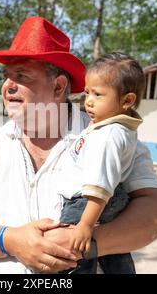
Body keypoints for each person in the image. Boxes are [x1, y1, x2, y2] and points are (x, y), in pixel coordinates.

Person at [0, 16, 157, 274]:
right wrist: (13, 241)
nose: (7, 86)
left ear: (58, 86)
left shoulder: (109, 135)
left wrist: (85, 243)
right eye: (6, 76)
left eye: (21, 75)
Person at [58, 52, 147, 273]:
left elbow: (100, 187)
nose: (88, 101)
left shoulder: (107, 135)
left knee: (73, 255)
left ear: (127, 100)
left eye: (98, 95)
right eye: (87, 92)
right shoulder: (113, 129)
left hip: (84, 204)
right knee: (114, 252)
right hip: (109, 201)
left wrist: (85, 225)